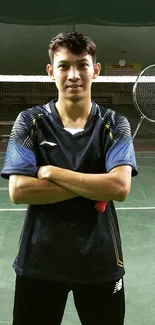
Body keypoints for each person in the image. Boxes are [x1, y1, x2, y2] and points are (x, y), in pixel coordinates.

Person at [1, 31, 138, 325]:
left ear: (95, 70)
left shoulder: (115, 124)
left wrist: (51, 172)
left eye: (82, 65)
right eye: (64, 66)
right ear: (51, 71)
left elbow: (119, 187)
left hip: (101, 262)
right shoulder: (29, 122)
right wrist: (94, 183)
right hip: (40, 262)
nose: (73, 75)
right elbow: (19, 190)